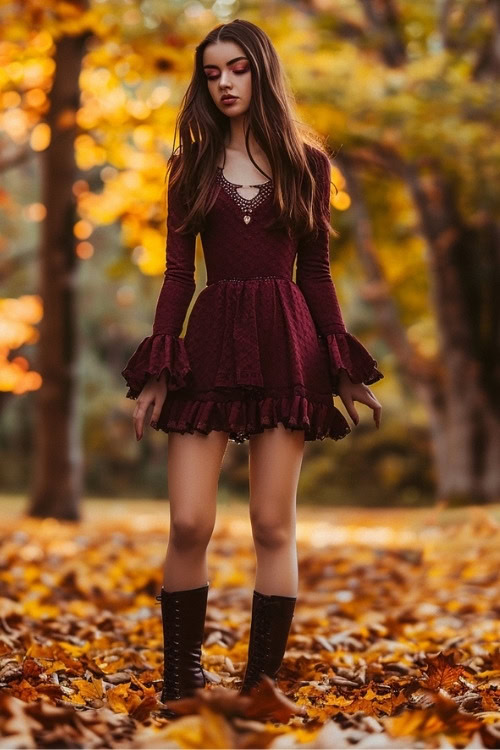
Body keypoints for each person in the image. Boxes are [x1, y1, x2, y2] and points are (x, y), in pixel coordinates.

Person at [121, 19, 383, 716]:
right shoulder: (191, 167)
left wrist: (340, 360)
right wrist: (157, 366)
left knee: (272, 522)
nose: (225, 83)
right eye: (212, 73)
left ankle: (260, 691)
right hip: (209, 343)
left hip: (285, 345)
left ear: (261, 73)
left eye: (237, 69)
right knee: (189, 522)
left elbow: (318, 272)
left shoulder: (308, 165)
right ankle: (180, 688)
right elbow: (179, 274)